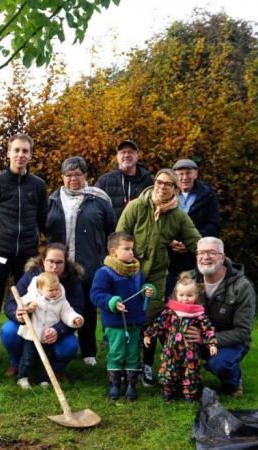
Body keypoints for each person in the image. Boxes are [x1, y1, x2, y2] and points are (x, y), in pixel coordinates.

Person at [116, 168, 202, 387]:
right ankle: (125, 364)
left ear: (174, 188)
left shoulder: (178, 216)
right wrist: (121, 262)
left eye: (167, 184)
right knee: (127, 318)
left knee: (150, 319)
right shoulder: (137, 206)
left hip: (156, 274)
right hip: (130, 272)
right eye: (159, 182)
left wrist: (209, 256)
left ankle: (145, 365)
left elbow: (195, 241)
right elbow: (119, 236)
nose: (162, 187)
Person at [46, 156, 115, 367]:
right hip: (59, 264)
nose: (72, 179)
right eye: (68, 175)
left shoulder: (99, 199)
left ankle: (88, 351)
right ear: (62, 177)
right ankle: (54, 343)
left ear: (86, 176)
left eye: (77, 174)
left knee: (86, 306)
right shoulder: (53, 199)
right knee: (54, 303)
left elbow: (110, 228)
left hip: (89, 262)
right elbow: (45, 226)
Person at [0, 133, 47, 366]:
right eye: (17, 150)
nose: (21, 155)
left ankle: (27, 351)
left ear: (30, 155)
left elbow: (43, 218)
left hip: (27, 253)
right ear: (8, 153)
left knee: (30, 301)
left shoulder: (38, 185)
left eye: (25, 151)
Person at [185, 237, 256, 397]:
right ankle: (187, 381)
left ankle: (233, 382)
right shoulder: (188, 279)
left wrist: (206, 338)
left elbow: (243, 331)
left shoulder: (241, 286)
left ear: (222, 257)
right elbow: (174, 311)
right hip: (194, 336)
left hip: (228, 341)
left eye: (212, 253)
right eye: (201, 253)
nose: (205, 257)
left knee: (219, 363)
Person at [1, 243, 84, 378]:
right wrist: (19, 314)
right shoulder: (31, 276)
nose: (54, 266)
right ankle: (16, 363)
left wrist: (59, 330)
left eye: (59, 262)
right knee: (8, 331)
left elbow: (77, 310)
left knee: (70, 346)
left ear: (66, 263)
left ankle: (53, 369)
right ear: (43, 260)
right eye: (50, 261)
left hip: (53, 329)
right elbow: (11, 303)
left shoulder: (72, 280)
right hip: (30, 327)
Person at [91, 232, 153, 401]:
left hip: (135, 321)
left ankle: (131, 385)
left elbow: (142, 288)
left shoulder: (137, 272)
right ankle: (114, 384)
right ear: (113, 252)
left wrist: (147, 290)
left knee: (133, 353)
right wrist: (111, 302)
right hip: (115, 323)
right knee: (117, 353)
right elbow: (96, 294)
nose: (131, 252)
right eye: (126, 249)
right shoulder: (104, 273)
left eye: (132, 249)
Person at [143, 272, 217, 402]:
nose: (185, 299)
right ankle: (167, 391)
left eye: (189, 295)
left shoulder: (199, 314)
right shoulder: (171, 311)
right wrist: (149, 335)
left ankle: (189, 394)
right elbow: (159, 323)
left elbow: (207, 330)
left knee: (191, 372)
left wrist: (211, 344)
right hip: (171, 350)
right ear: (176, 296)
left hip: (191, 351)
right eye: (181, 295)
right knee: (168, 370)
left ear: (196, 296)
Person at [16, 272, 84, 389]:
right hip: (32, 336)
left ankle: (43, 379)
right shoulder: (33, 297)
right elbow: (21, 302)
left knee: (46, 360)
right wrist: (28, 307)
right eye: (50, 290)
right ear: (40, 289)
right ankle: (22, 377)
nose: (55, 292)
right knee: (28, 358)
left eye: (56, 289)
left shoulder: (61, 301)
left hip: (47, 338)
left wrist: (75, 318)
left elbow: (68, 312)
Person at [166, 159, 220, 299]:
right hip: (169, 256)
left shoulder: (208, 194)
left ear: (196, 174)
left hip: (196, 256)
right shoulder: (165, 194)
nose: (185, 177)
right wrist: (169, 241)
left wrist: (192, 242)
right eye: (181, 174)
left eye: (189, 173)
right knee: (170, 297)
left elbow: (214, 225)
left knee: (195, 297)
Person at [95, 140, 154, 222]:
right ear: (117, 157)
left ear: (137, 156)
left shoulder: (148, 181)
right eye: (123, 152)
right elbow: (95, 210)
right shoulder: (104, 181)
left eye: (130, 152)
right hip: (113, 233)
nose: (127, 155)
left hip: (139, 233)